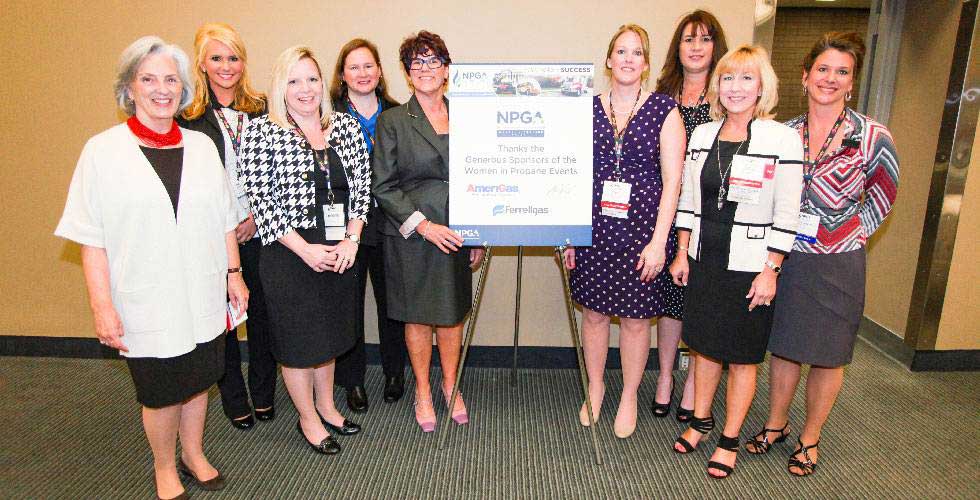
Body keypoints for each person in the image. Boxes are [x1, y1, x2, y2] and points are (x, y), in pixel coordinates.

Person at [55, 36, 245, 500]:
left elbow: (224, 220)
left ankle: (194, 452)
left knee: (200, 380)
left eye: (170, 80)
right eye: (148, 79)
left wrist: (234, 273)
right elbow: (91, 239)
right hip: (145, 297)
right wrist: (102, 307)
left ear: (182, 89)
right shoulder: (102, 152)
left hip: (203, 290)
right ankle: (164, 466)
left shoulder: (202, 147)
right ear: (130, 88)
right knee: (161, 390)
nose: (161, 89)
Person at [746, 32, 899, 476]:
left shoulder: (872, 135)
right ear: (805, 75)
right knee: (787, 347)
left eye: (842, 72)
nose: (830, 79)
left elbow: (884, 195)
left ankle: (810, 437)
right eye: (823, 69)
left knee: (829, 353)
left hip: (839, 263)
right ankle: (776, 424)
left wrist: (851, 234)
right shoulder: (784, 133)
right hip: (787, 259)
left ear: (852, 82)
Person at [669, 45, 803, 479]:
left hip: (752, 264)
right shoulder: (704, 135)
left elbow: (787, 212)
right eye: (728, 78)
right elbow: (689, 198)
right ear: (717, 85)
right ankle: (701, 420)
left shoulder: (781, 138)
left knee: (743, 356)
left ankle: (728, 439)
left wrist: (772, 269)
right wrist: (682, 249)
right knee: (705, 347)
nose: (736, 88)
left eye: (747, 79)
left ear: (762, 86)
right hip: (706, 258)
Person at [239, 45, 370, 455]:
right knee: (299, 344)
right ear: (281, 86)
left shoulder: (345, 127)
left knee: (329, 335)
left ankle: (328, 407)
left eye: (312, 79)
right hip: (290, 253)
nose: (305, 89)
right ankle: (307, 419)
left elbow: (362, 191)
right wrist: (307, 251)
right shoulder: (262, 132)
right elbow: (263, 205)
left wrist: (352, 238)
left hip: (339, 249)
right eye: (294, 81)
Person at [563, 24, 685, 439]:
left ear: (646, 63)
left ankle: (629, 395)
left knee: (636, 321)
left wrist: (659, 243)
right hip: (594, 231)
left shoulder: (665, 111)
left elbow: (673, 183)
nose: (629, 59)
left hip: (643, 235)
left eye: (637, 52)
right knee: (595, 315)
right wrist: (570, 234)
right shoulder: (587, 108)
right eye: (621, 51)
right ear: (609, 60)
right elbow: (571, 175)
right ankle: (595, 387)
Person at [372, 30, 485, 433]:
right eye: (416, 62)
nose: (425, 69)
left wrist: (478, 234)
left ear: (447, 69)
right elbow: (383, 186)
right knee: (418, 318)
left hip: (457, 232)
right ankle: (422, 389)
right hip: (412, 235)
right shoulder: (392, 121)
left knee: (452, 315)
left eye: (433, 60)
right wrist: (424, 225)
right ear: (406, 72)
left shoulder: (468, 114)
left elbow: (482, 176)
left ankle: (450, 382)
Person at [178, 22, 277, 431]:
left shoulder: (260, 106)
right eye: (216, 57)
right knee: (223, 320)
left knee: (262, 315)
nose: (226, 66)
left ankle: (265, 392)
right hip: (213, 234)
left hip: (258, 228)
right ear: (201, 62)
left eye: (233, 57)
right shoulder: (188, 117)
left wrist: (256, 215)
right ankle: (234, 398)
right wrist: (224, 223)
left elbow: (275, 168)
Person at [652, 8, 729, 422]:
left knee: (701, 303)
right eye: (688, 39)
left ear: (716, 47)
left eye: (704, 39)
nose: (696, 47)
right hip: (665, 215)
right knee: (669, 300)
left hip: (710, 218)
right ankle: (664, 377)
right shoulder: (661, 98)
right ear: (676, 48)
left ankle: (695, 387)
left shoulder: (728, 97)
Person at [329, 38, 406, 413]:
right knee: (348, 306)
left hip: (391, 224)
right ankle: (353, 381)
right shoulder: (328, 117)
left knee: (393, 304)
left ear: (379, 71)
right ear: (342, 75)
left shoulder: (398, 113)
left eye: (368, 65)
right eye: (353, 67)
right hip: (346, 227)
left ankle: (395, 374)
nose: (362, 73)